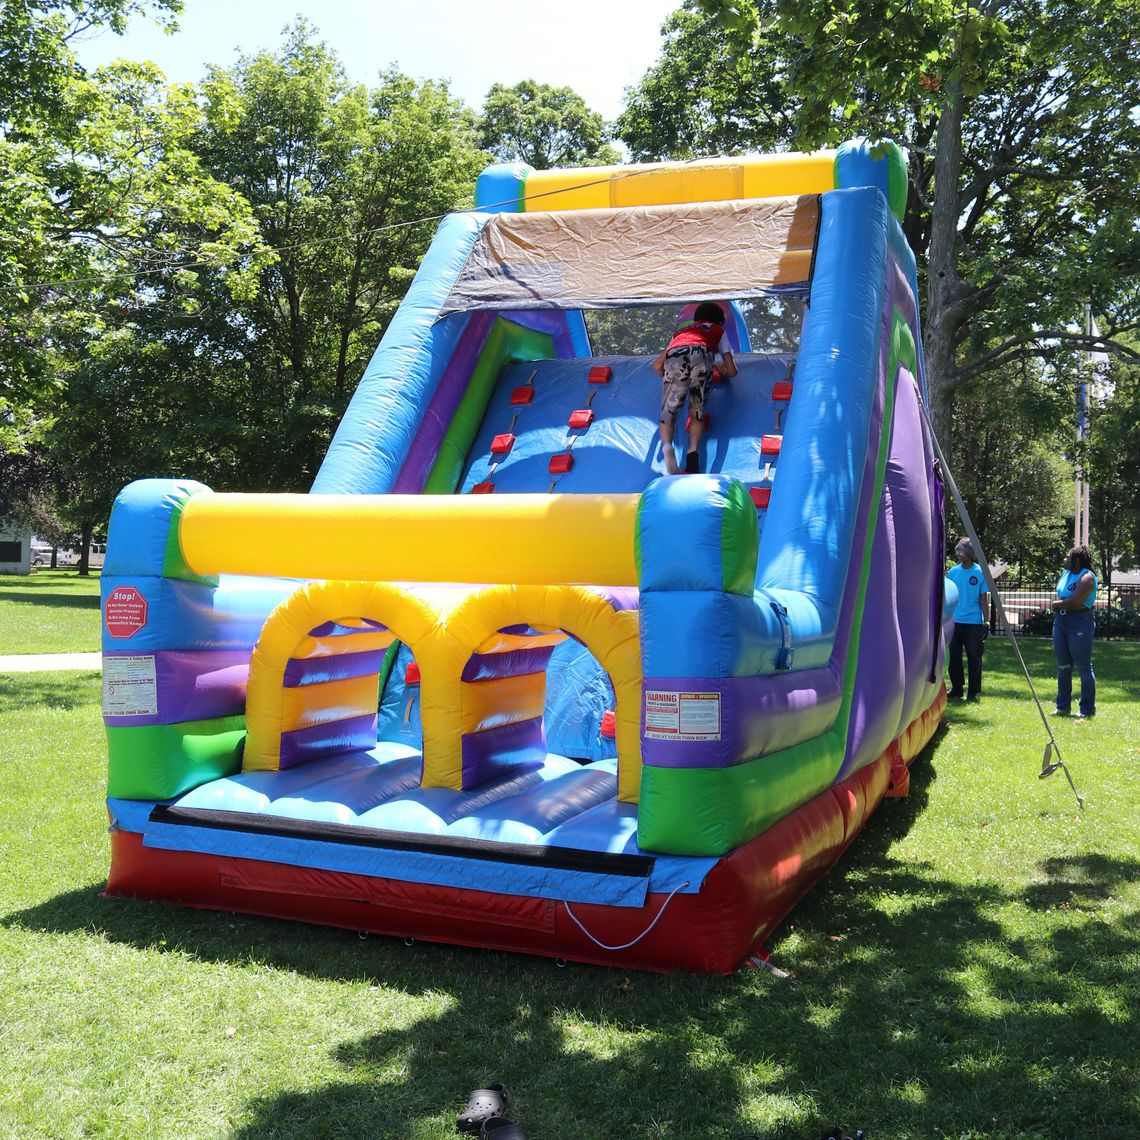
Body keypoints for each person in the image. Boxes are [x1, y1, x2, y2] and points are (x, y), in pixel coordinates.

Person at [653, 301, 738, 475]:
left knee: (668, 412)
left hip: (675, 357)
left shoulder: (680, 333)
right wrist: (720, 370)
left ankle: (668, 447)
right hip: (702, 353)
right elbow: (732, 370)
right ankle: (693, 455)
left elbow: (657, 366)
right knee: (696, 410)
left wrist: (672, 383)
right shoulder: (718, 331)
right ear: (719, 322)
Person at [1050, 544, 1097, 718]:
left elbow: (1075, 602)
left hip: (1080, 621)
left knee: (1083, 667)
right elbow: (1064, 595)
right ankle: (1062, 707)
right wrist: (1061, 606)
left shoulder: (1087, 578)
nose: (1064, 559)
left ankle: (1086, 709)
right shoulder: (1066, 574)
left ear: (1076, 560)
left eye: (1068, 557)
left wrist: (1056, 604)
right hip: (1061, 621)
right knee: (1063, 666)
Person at [946, 537, 989, 702]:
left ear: (970, 553)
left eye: (961, 550)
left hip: (973, 622)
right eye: (958, 550)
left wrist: (985, 622)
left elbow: (983, 599)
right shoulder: (953, 572)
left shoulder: (980, 572)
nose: (958, 553)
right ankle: (957, 688)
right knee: (954, 656)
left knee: (974, 656)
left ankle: (974, 691)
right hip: (954, 621)